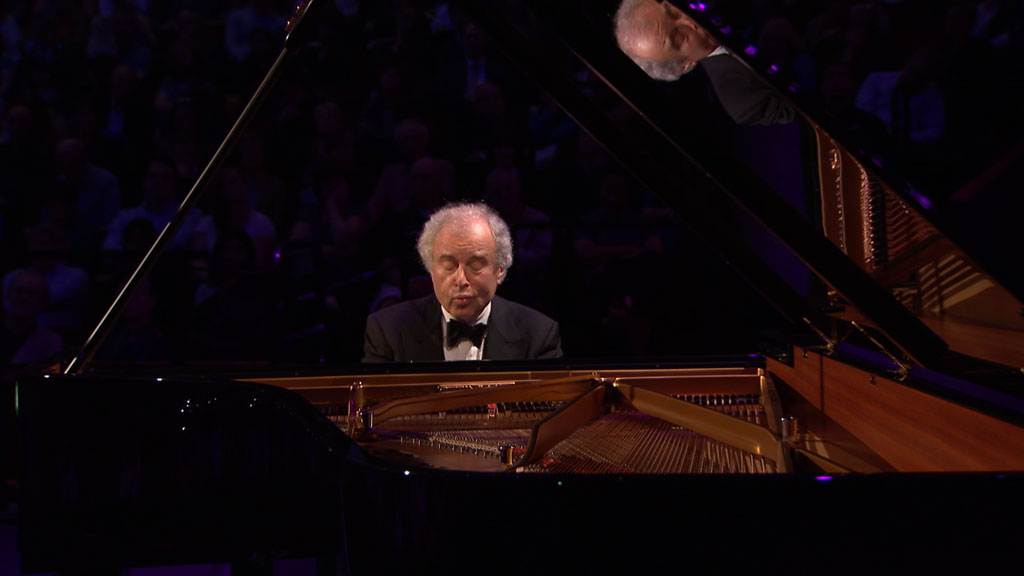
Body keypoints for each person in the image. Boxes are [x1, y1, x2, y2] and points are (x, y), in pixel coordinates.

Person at [362, 202, 562, 362]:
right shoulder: (388, 331)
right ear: (431, 268)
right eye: (449, 265)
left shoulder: (538, 335)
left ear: (500, 269)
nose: (461, 280)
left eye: (475, 265)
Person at [613, 0, 795, 126]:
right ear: (684, 65)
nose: (689, 20)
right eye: (680, 37)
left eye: (673, 11)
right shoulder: (743, 101)